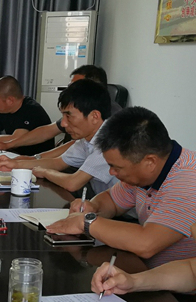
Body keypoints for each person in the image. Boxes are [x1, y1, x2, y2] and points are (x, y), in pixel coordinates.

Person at [47, 107, 196, 268]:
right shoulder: (144, 172)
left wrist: (86, 222)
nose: (111, 172)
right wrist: (92, 206)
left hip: (175, 281)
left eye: (117, 167)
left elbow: (146, 243)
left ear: (150, 162)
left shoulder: (188, 181)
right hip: (143, 271)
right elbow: (112, 200)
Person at [0, 79, 118, 194]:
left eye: (68, 116)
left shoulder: (109, 142)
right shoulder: (86, 140)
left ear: (94, 116)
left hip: (120, 211)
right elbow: (57, 162)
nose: (63, 123)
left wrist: (45, 172)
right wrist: (14, 164)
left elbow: (72, 183)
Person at [0, 65, 120, 156]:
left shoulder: (112, 120)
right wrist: (9, 144)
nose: (69, 91)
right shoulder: (75, 111)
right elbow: (46, 131)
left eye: (75, 86)